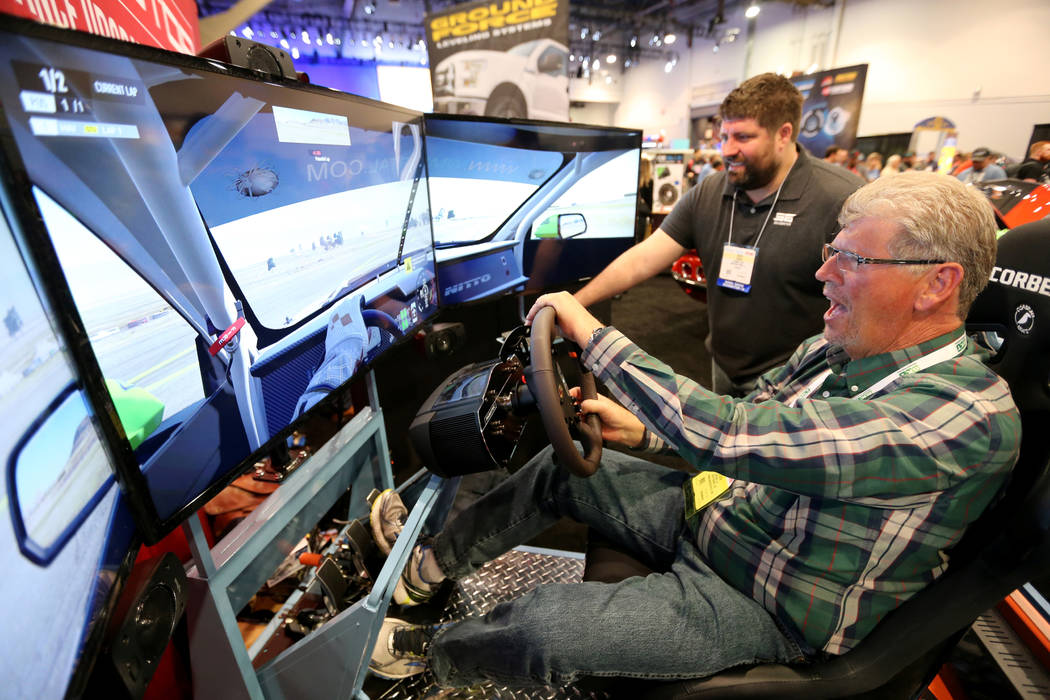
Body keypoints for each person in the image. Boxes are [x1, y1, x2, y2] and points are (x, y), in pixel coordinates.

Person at [369, 171, 1020, 689]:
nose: (824, 275)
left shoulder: (963, 417)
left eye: (850, 259)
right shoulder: (841, 350)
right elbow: (748, 427)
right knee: (561, 469)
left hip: (766, 601)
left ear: (937, 283)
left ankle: (432, 653)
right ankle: (426, 569)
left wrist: (592, 335)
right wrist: (648, 438)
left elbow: (736, 436)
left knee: (545, 628)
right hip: (719, 514)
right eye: (831, 254)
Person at [572, 73, 864, 397]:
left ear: (784, 134)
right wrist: (574, 303)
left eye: (743, 137)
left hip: (797, 382)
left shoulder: (841, 199)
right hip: (723, 369)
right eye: (723, 136)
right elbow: (641, 260)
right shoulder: (709, 192)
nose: (727, 150)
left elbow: (867, 301)